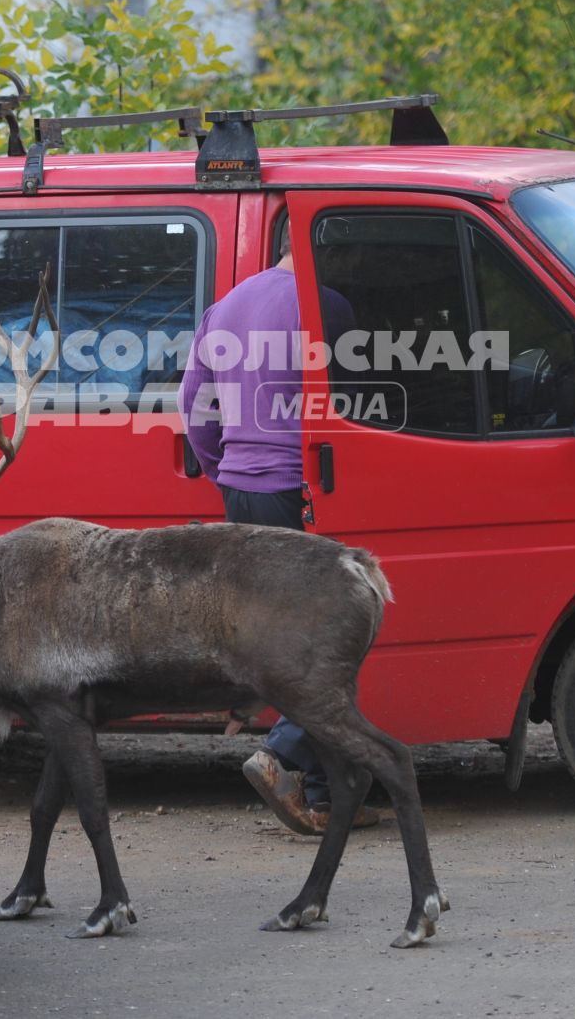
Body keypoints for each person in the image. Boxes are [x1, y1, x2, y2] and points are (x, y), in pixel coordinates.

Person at [178, 221, 379, 836]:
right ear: (317, 244)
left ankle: (325, 796)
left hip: (243, 491)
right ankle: (284, 752)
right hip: (299, 493)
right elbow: (357, 398)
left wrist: (224, 465)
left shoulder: (227, 306)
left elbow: (195, 404)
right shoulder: (330, 307)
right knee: (319, 643)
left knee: (285, 640)